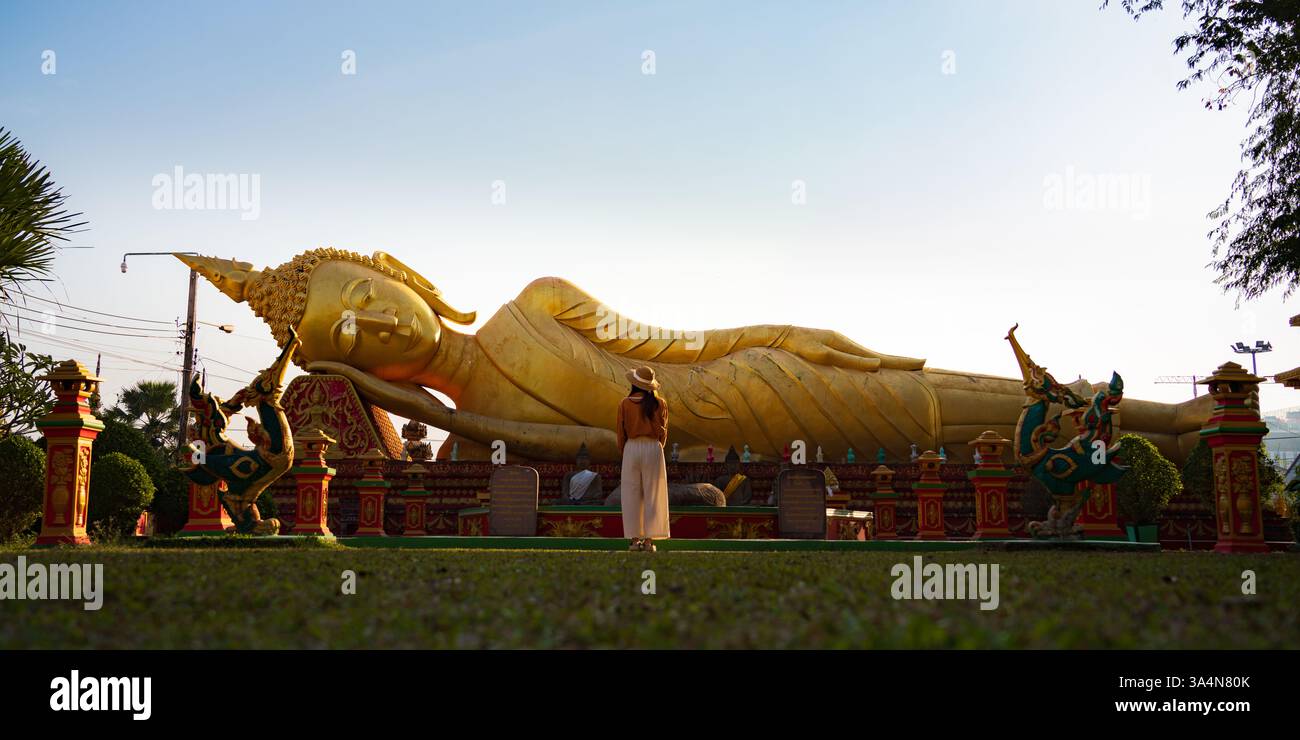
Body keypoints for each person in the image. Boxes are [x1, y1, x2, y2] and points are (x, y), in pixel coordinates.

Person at [616, 366, 670, 551]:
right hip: (653, 448)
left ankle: (634, 540)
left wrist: (625, 451)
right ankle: (649, 540)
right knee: (653, 494)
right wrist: (658, 446)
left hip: (632, 447)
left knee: (631, 493)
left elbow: (620, 433)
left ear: (633, 383)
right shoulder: (660, 403)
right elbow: (663, 432)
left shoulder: (624, 403)